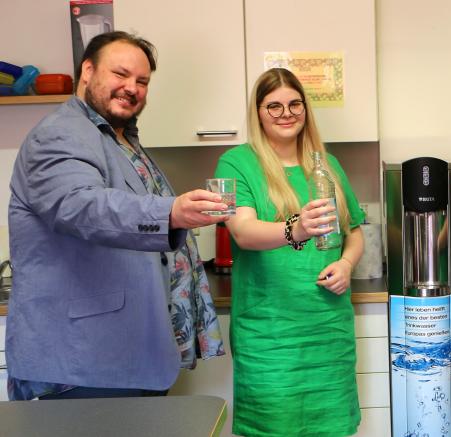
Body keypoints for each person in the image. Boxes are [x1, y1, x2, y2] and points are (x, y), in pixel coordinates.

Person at [6, 31, 227, 400]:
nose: (132, 88)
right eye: (120, 74)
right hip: (84, 362)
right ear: (87, 71)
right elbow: (82, 207)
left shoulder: (119, 138)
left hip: (130, 353)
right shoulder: (59, 134)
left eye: (142, 81)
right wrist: (171, 212)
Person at [214, 67, 364, 436]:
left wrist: (346, 263)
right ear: (258, 111)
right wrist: (296, 228)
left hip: (328, 327)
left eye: (295, 104)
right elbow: (243, 232)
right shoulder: (234, 163)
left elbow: (355, 232)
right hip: (270, 333)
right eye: (274, 106)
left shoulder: (327, 165)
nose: (286, 113)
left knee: (332, 427)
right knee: (273, 427)